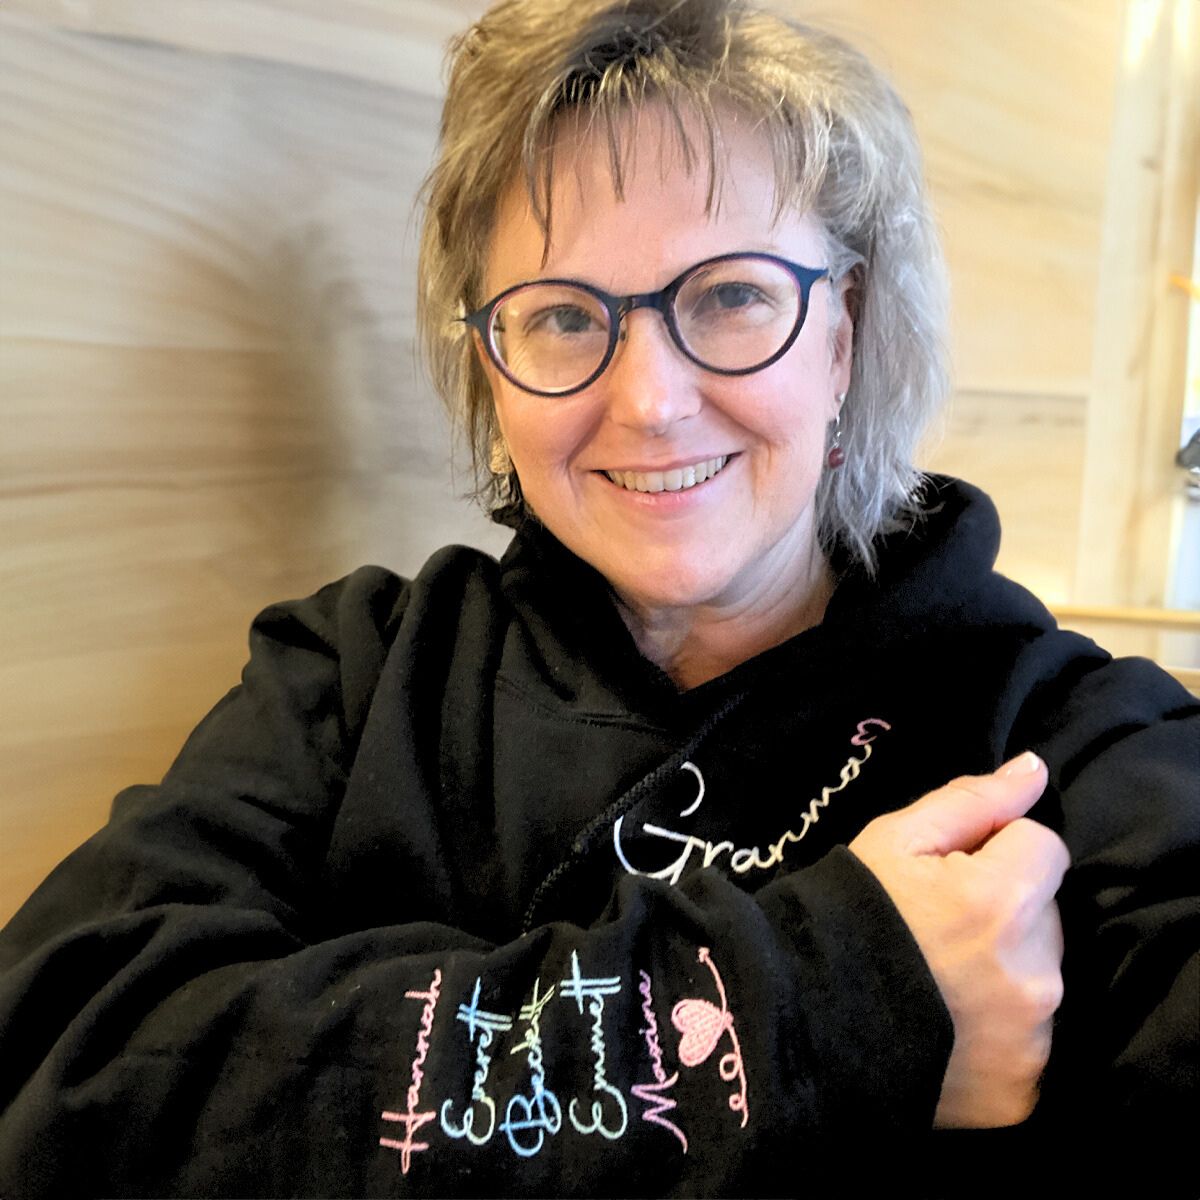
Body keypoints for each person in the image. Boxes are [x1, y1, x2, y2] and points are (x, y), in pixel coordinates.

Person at [1, 0, 1196, 1195]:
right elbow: (67, 1073)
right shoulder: (350, 677)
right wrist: (835, 1007)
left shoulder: (1058, 742)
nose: (650, 402)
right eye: (566, 317)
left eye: (731, 295)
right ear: (492, 365)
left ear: (846, 333)